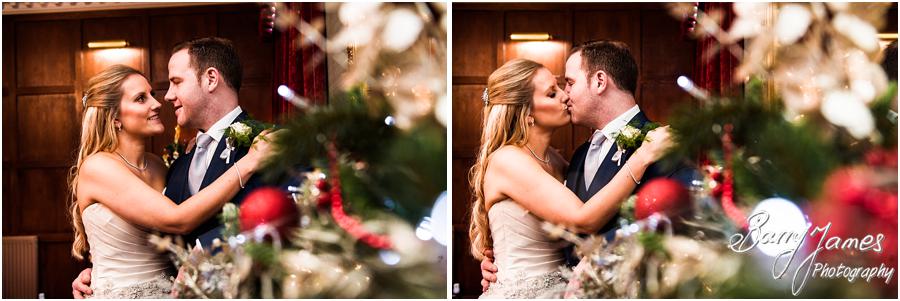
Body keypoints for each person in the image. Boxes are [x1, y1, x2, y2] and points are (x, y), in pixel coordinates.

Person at [72, 37, 268, 298]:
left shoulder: (162, 165)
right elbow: (178, 220)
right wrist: (103, 274)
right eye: (141, 98)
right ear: (115, 117)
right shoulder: (98, 166)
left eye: (155, 92)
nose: (159, 102)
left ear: (211, 79)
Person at [469, 58, 675, 298]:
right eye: (551, 93)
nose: (565, 96)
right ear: (526, 113)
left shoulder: (559, 161)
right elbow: (582, 218)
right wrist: (642, 156)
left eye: (560, 87)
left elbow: (599, 200)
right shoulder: (508, 160)